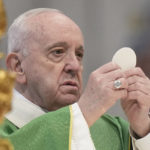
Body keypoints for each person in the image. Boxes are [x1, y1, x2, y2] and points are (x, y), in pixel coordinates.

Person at [0, 8, 150, 150]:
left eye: (79, 55)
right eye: (57, 52)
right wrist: (83, 112)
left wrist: (143, 131)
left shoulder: (113, 130)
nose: (75, 66)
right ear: (17, 66)